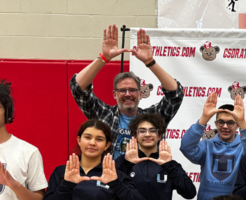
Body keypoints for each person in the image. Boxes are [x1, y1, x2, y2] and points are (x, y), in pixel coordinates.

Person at [70, 25, 184, 159]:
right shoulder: (103, 114)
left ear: (141, 94)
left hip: (145, 177)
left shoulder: (153, 117)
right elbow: (78, 87)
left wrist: (150, 62)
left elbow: (175, 94)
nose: (128, 94)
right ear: (114, 94)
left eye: (133, 90)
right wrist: (104, 58)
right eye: (122, 90)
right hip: (111, 176)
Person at [116, 114, 196, 200]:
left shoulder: (169, 163)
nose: (147, 134)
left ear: (160, 136)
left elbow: (189, 192)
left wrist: (169, 165)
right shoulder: (122, 162)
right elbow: (111, 192)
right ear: (134, 135)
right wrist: (128, 164)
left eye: (153, 130)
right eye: (142, 131)